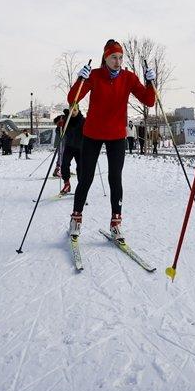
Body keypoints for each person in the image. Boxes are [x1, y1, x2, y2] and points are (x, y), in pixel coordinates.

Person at [66, 39, 156, 240]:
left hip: (116, 135)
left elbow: (149, 101)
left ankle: (116, 223)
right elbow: (73, 99)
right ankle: (76, 219)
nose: (117, 61)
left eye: (120, 58)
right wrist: (80, 80)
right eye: (113, 57)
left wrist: (150, 82)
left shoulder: (129, 78)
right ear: (105, 58)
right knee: (86, 178)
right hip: (92, 134)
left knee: (115, 178)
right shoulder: (95, 75)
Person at [59, 107, 84, 194]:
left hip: (80, 147)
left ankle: (81, 188)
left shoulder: (83, 120)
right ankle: (67, 184)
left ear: (78, 110)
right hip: (69, 146)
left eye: (74, 110)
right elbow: (60, 132)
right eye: (71, 110)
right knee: (64, 165)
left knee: (80, 167)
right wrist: (60, 126)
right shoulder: (66, 120)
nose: (72, 112)